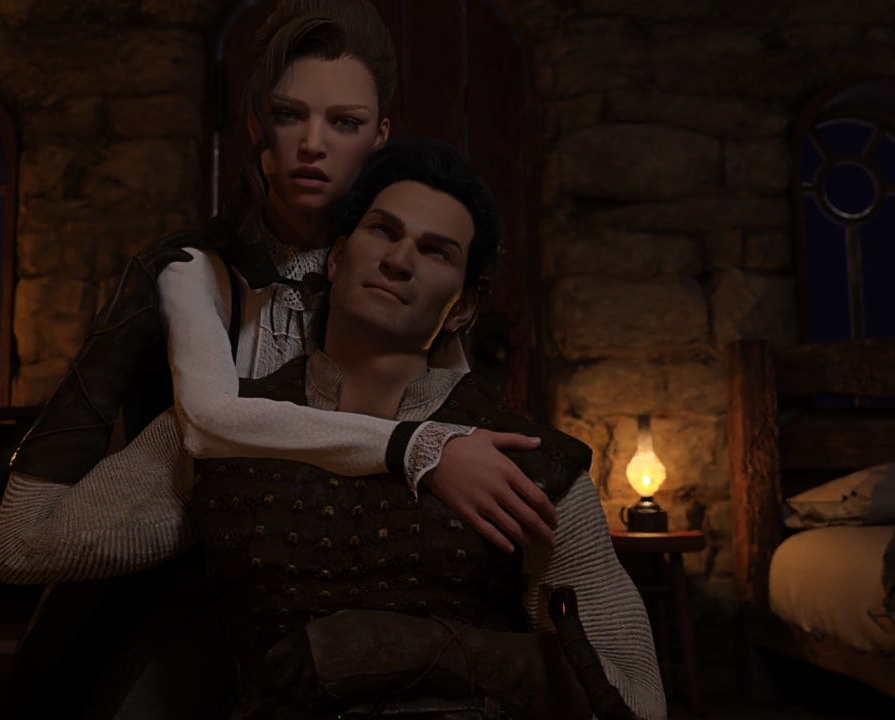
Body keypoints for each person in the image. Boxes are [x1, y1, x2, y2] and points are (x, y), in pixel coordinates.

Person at [0, 3, 554, 716]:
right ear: (258, 120)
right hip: (191, 595)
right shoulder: (189, 269)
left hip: (357, 591)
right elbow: (193, 433)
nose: (312, 145)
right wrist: (417, 447)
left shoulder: (399, 278)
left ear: (380, 134)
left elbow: (461, 426)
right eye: (289, 115)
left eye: (344, 122)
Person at [188, 137, 667, 719]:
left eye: (436, 251)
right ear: (336, 258)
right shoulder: (222, 424)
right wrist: (115, 350)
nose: (398, 260)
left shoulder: (528, 464)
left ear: (461, 308)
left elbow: (636, 697)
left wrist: (416, 648)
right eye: (382, 231)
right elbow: (73, 540)